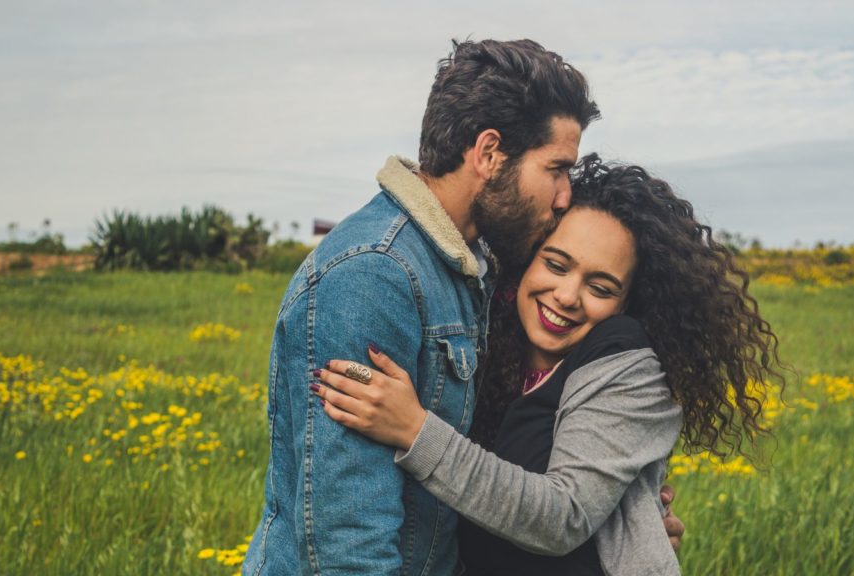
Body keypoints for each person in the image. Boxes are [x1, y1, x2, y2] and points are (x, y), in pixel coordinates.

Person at [242, 40, 682, 576]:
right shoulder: (374, 275)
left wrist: (623, 521)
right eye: (556, 169)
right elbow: (347, 540)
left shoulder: (468, 266)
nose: (565, 194)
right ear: (489, 153)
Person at [314, 155, 784, 574]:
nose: (566, 296)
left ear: (627, 303)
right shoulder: (486, 344)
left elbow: (562, 517)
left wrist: (414, 430)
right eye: (556, 265)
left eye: (600, 288)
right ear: (524, 261)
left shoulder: (627, 361)